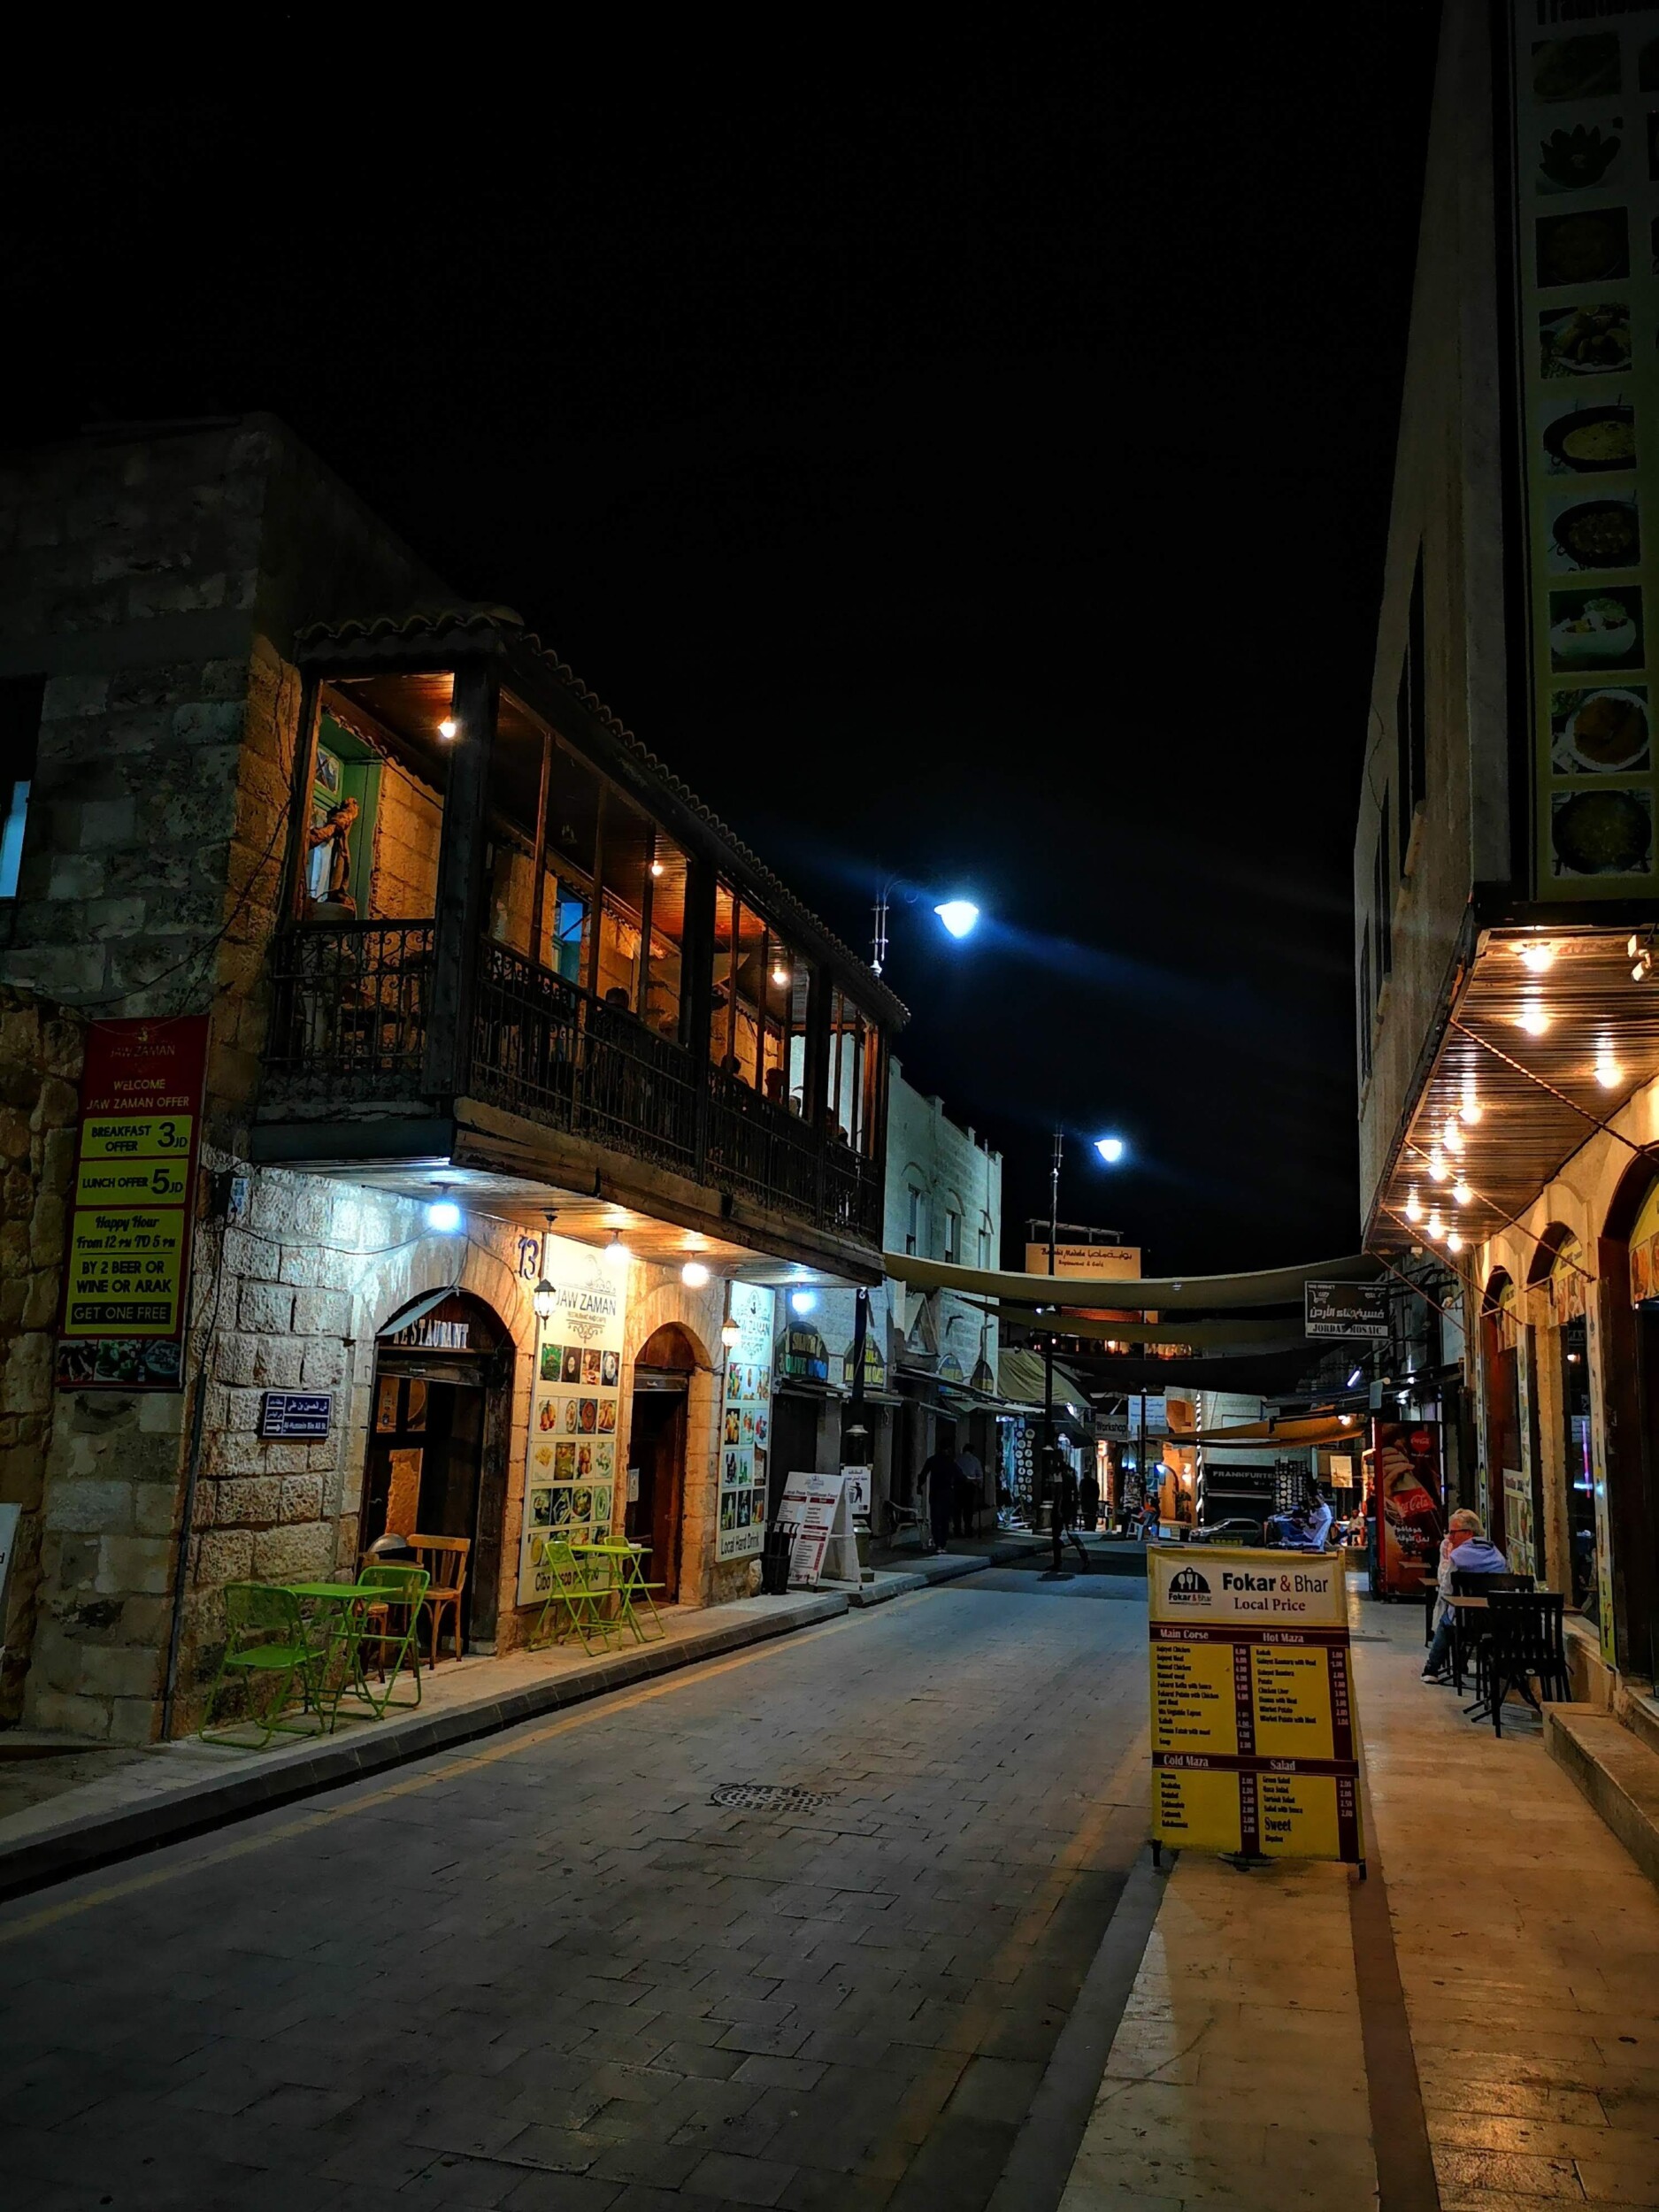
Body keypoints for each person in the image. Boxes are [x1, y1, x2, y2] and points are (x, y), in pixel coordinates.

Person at [1423, 1509, 1509, 1683]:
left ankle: (1431, 1669)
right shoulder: (1497, 1555)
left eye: (1453, 1533)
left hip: (1464, 1621)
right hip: (1494, 1620)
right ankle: (1486, 1667)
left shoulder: (1457, 1556)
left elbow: (1446, 1587)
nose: (1450, 1537)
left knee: (1446, 1619)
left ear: (1468, 1533)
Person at [918, 1440, 962, 1555]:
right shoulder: (950, 1462)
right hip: (946, 1493)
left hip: (936, 1493)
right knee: (944, 1520)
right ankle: (942, 1544)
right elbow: (960, 1476)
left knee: (937, 1520)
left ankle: (938, 1544)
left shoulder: (933, 1460)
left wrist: (919, 1486)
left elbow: (923, 1475)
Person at [1268, 1481, 1333, 1549]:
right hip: (1305, 1532)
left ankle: (1285, 1542)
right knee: (1283, 1523)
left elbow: (1320, 1503)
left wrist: (1314, 1492)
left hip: (1309, 1538)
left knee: (1287, 1533)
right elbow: (1311, 1522)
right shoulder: (1316, 1510)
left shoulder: (1324, 1512)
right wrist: (1302, 1521)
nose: (1311, 1502)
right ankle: (1285, 1540)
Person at [956, 1438, 984, 1537]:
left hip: (959, 1486)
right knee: (968, 1509)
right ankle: (968, 1529)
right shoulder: (975, 1460)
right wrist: (980, 1485)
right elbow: (979, 1475)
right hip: (970, 1486)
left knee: (958, 1509)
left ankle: (957, 1530)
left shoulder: (958, 1459)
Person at [1079, 1465, 1101, 1536]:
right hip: (1093, 1502)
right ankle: (1092, 1527)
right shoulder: (1094, 1482)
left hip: (1086, 1502)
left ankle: (1087, 1526)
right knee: (1092, 1515)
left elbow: (1081, 1492)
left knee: (1086, 1515)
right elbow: (1097, 1492)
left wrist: (1081, 1500)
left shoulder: (1083, 1482)